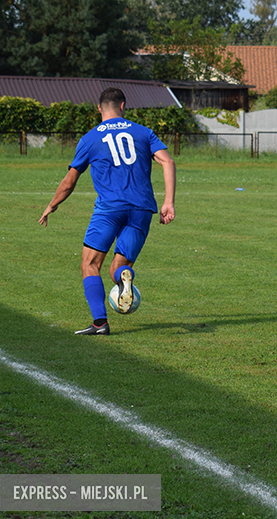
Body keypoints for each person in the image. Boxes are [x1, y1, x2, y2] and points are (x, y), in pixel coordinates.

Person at [39, 87, 176, 335]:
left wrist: (52, 205)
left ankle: (100, 323)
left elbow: (70, 182)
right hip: (142, 209)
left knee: (90, 263)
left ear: (99, 108)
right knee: (118, 268)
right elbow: (168, 161)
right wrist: (169, 202)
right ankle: (125, 275)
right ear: (123, 106)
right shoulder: (144, 133)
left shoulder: (90, 138)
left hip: (109, 210)